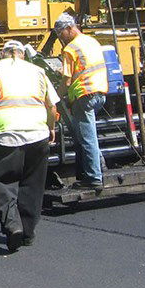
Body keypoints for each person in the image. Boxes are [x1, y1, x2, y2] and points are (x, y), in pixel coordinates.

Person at [0, 39, 60, 254]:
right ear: (22, 55)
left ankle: (12, 226)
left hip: (4, 136)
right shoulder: (38, 72)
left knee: (0, 181)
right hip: (37, 134)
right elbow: (52, 105)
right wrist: (51, 128)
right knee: (32, 184)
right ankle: (28, 233)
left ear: (4, 54)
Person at [54, 13, 109, 191]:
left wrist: (56, 97)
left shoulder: (70, 49)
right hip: (100, 92)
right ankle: (99, 167)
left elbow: (67, 81)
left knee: (86, 137)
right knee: (87, 133)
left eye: (61, 34)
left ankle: (93, 177)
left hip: (83, 95)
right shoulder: (91, 41)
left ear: (70, 28)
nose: (60, 38)